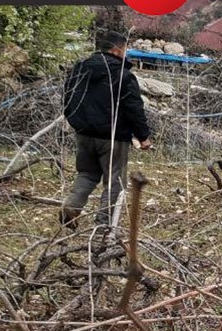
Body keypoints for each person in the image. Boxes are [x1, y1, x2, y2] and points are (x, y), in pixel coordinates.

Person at [60, 29, 153, 228]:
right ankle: (104, 224)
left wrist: (75, 121)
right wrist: (143, 137)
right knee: (115, 181)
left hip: (83, 134)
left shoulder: (80, 69)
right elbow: (134, 108)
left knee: (87, 173)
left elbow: (67, 97)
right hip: (113, 137)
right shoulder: (123, 76)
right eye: (125, 49)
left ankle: (72, 206)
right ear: (118, 50)